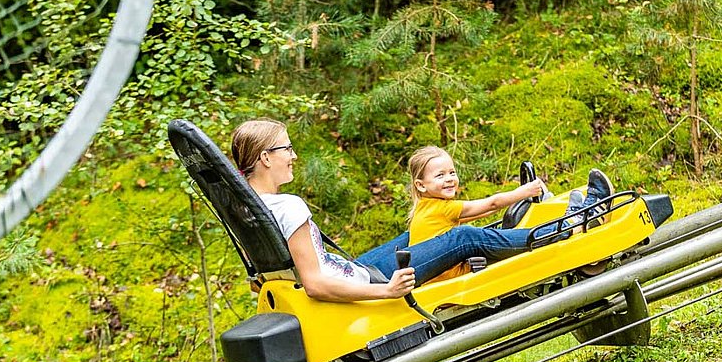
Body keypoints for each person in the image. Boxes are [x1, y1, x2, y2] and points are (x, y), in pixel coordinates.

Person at [230, 119, 613, 299]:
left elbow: (265, 276)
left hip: (355, 269)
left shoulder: (248, 210)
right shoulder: (288, 207)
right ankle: (569, 227)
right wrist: (389, 292)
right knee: (462, 236)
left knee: (418, 235)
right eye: (286, 149)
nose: (293, 156)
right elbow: (314, 284)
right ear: (265, 157)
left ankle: (506, 231)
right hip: (365, 282)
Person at [406, 145, 615, 281]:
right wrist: (524, 191)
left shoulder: (426, 209)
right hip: (455, 274)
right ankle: (571, 226)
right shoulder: (441, 207)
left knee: (503, 229)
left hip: (447, 271)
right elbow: (491, 204)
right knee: (478, 236)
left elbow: (475, 214)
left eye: (452, 172)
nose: (449, 179)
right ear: (421, 185)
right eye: (440, 175)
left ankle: (552, 220)